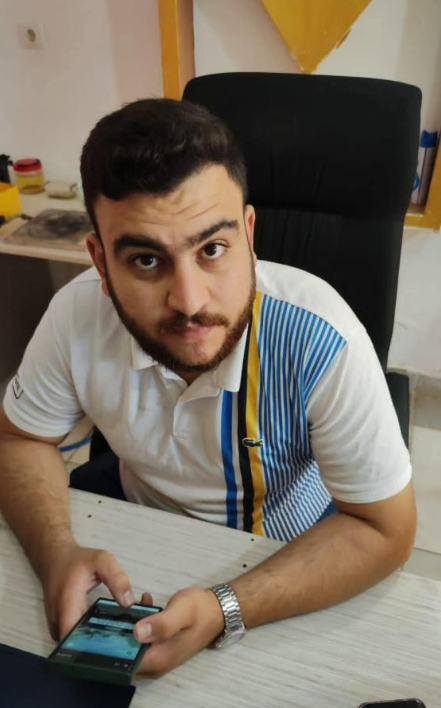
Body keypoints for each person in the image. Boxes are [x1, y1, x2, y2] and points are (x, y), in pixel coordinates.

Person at [0, 98, 416, 678]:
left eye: (212, 249)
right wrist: (56, 553)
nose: (190, 301)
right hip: (138, 535)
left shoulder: (321, 338)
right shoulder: (75, 316)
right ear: (100, 261)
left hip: (287, 556)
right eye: (146, 260)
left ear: (248, 233)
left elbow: (385, 529)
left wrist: (226, 609)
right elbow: (19, 438)